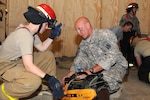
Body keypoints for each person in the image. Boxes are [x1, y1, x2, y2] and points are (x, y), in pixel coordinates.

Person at [0, 4, 64, 100]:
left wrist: (52, 36)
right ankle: (4, 92)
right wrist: (50, 78)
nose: (47, 28)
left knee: (47, 56)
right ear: (40, 22)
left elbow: (42, 48)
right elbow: (28, 66)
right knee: (33, 81)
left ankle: (46, 88)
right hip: (4, 65)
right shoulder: (25, 36)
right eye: (47, 24)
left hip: (16, 61)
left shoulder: (30, 32)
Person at [62, 16, 128, 100]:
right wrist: (70, 74)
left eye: (80, 29)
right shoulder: (83, 43)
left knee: (101, 82)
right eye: (77, 30)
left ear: (88, 25)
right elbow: (80, 59)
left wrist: (91, 71)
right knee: (82, 82)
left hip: (116, 66)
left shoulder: (105, 35)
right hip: (97, 67)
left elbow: (112, 56)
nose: (79, 33)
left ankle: (114, 89)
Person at [119, 2, 140, 68]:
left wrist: (139, 35)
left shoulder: (135, 19)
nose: (135, 10)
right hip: (125, 35)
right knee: (124, 50)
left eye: (136, 9)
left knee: (131, 51)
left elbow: (138, 28)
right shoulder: (125, 17)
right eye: (134, 8)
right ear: (130, 9)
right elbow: (121, 27)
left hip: (132, 36)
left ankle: (130, 64)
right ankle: (122, 65)